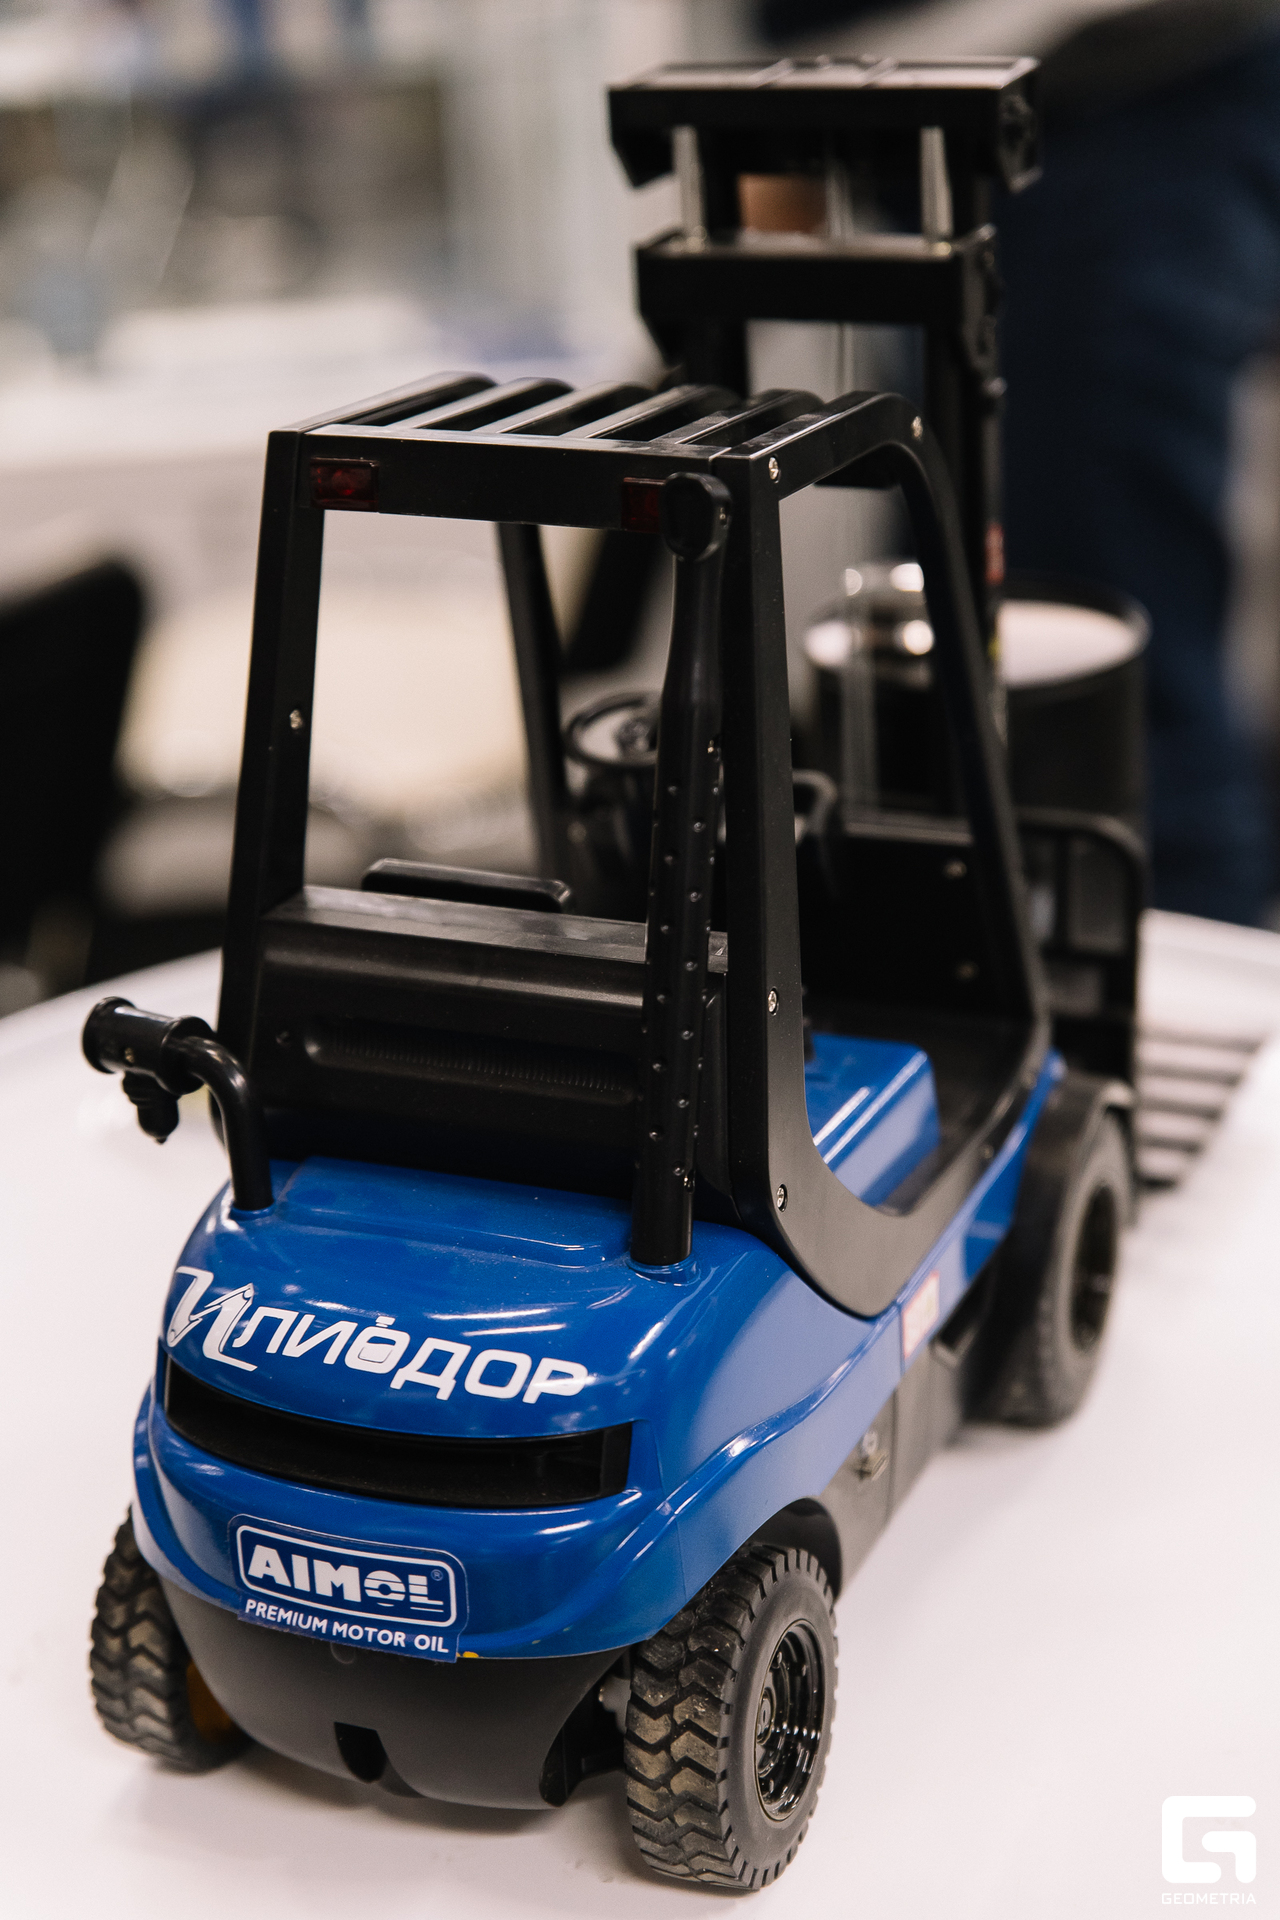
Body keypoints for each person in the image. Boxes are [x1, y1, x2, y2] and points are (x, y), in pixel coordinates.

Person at [758, 0, 1280, 924]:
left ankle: (1167, 970)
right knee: (946, 668)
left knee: (1113, 714)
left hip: (1107, 98)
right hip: (939, 122)